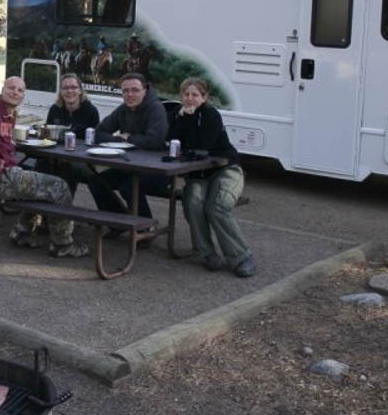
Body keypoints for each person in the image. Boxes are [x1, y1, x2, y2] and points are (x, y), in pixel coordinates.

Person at [0, 76, 90, 257]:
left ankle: (22, 232)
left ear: (24, 95)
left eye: (20, 90)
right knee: (60, 187)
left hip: (3, 176)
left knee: (40, 181)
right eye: (11, 88)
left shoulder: (9, 114)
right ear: (2, 89)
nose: (15, 92)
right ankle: (62, 244)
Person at [168, 77, 255, 277]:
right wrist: (181, 119)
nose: (190, 99)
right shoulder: (177, 114)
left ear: (204, 97)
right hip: (198, 174)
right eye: (186, 95)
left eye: (195, 95)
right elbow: (171, 140)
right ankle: (206, 253)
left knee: (217, 207)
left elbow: (202, 145)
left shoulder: (211, 115)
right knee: (193, 202)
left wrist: (189, 120)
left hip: (225, 169)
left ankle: (241, 256)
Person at [86, 73, 168, 242]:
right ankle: (118, 222)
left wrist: (128, 137)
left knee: (128, 186)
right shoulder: (123, 109)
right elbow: (100, 132)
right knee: (95, 180)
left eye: (135, 90)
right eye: (125, 91)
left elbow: (155, 140)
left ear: (145, 90)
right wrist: (119, 139)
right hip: (130, 166)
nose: (130, 95)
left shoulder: (155, 108)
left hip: (157, 170)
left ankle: (145, 229)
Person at [38, 73, 100, 196]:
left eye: (73, 87)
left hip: (81, 159)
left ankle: (60, 207)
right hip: (55, 155)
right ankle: (35, 207)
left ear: (80, 91)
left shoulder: (91, 110)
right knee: (40, 163)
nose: (69, 91)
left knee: (69, 168)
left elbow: (95, 141)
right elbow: (47, 135)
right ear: (61, 92)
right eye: (65, 88)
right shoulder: (55, 109)